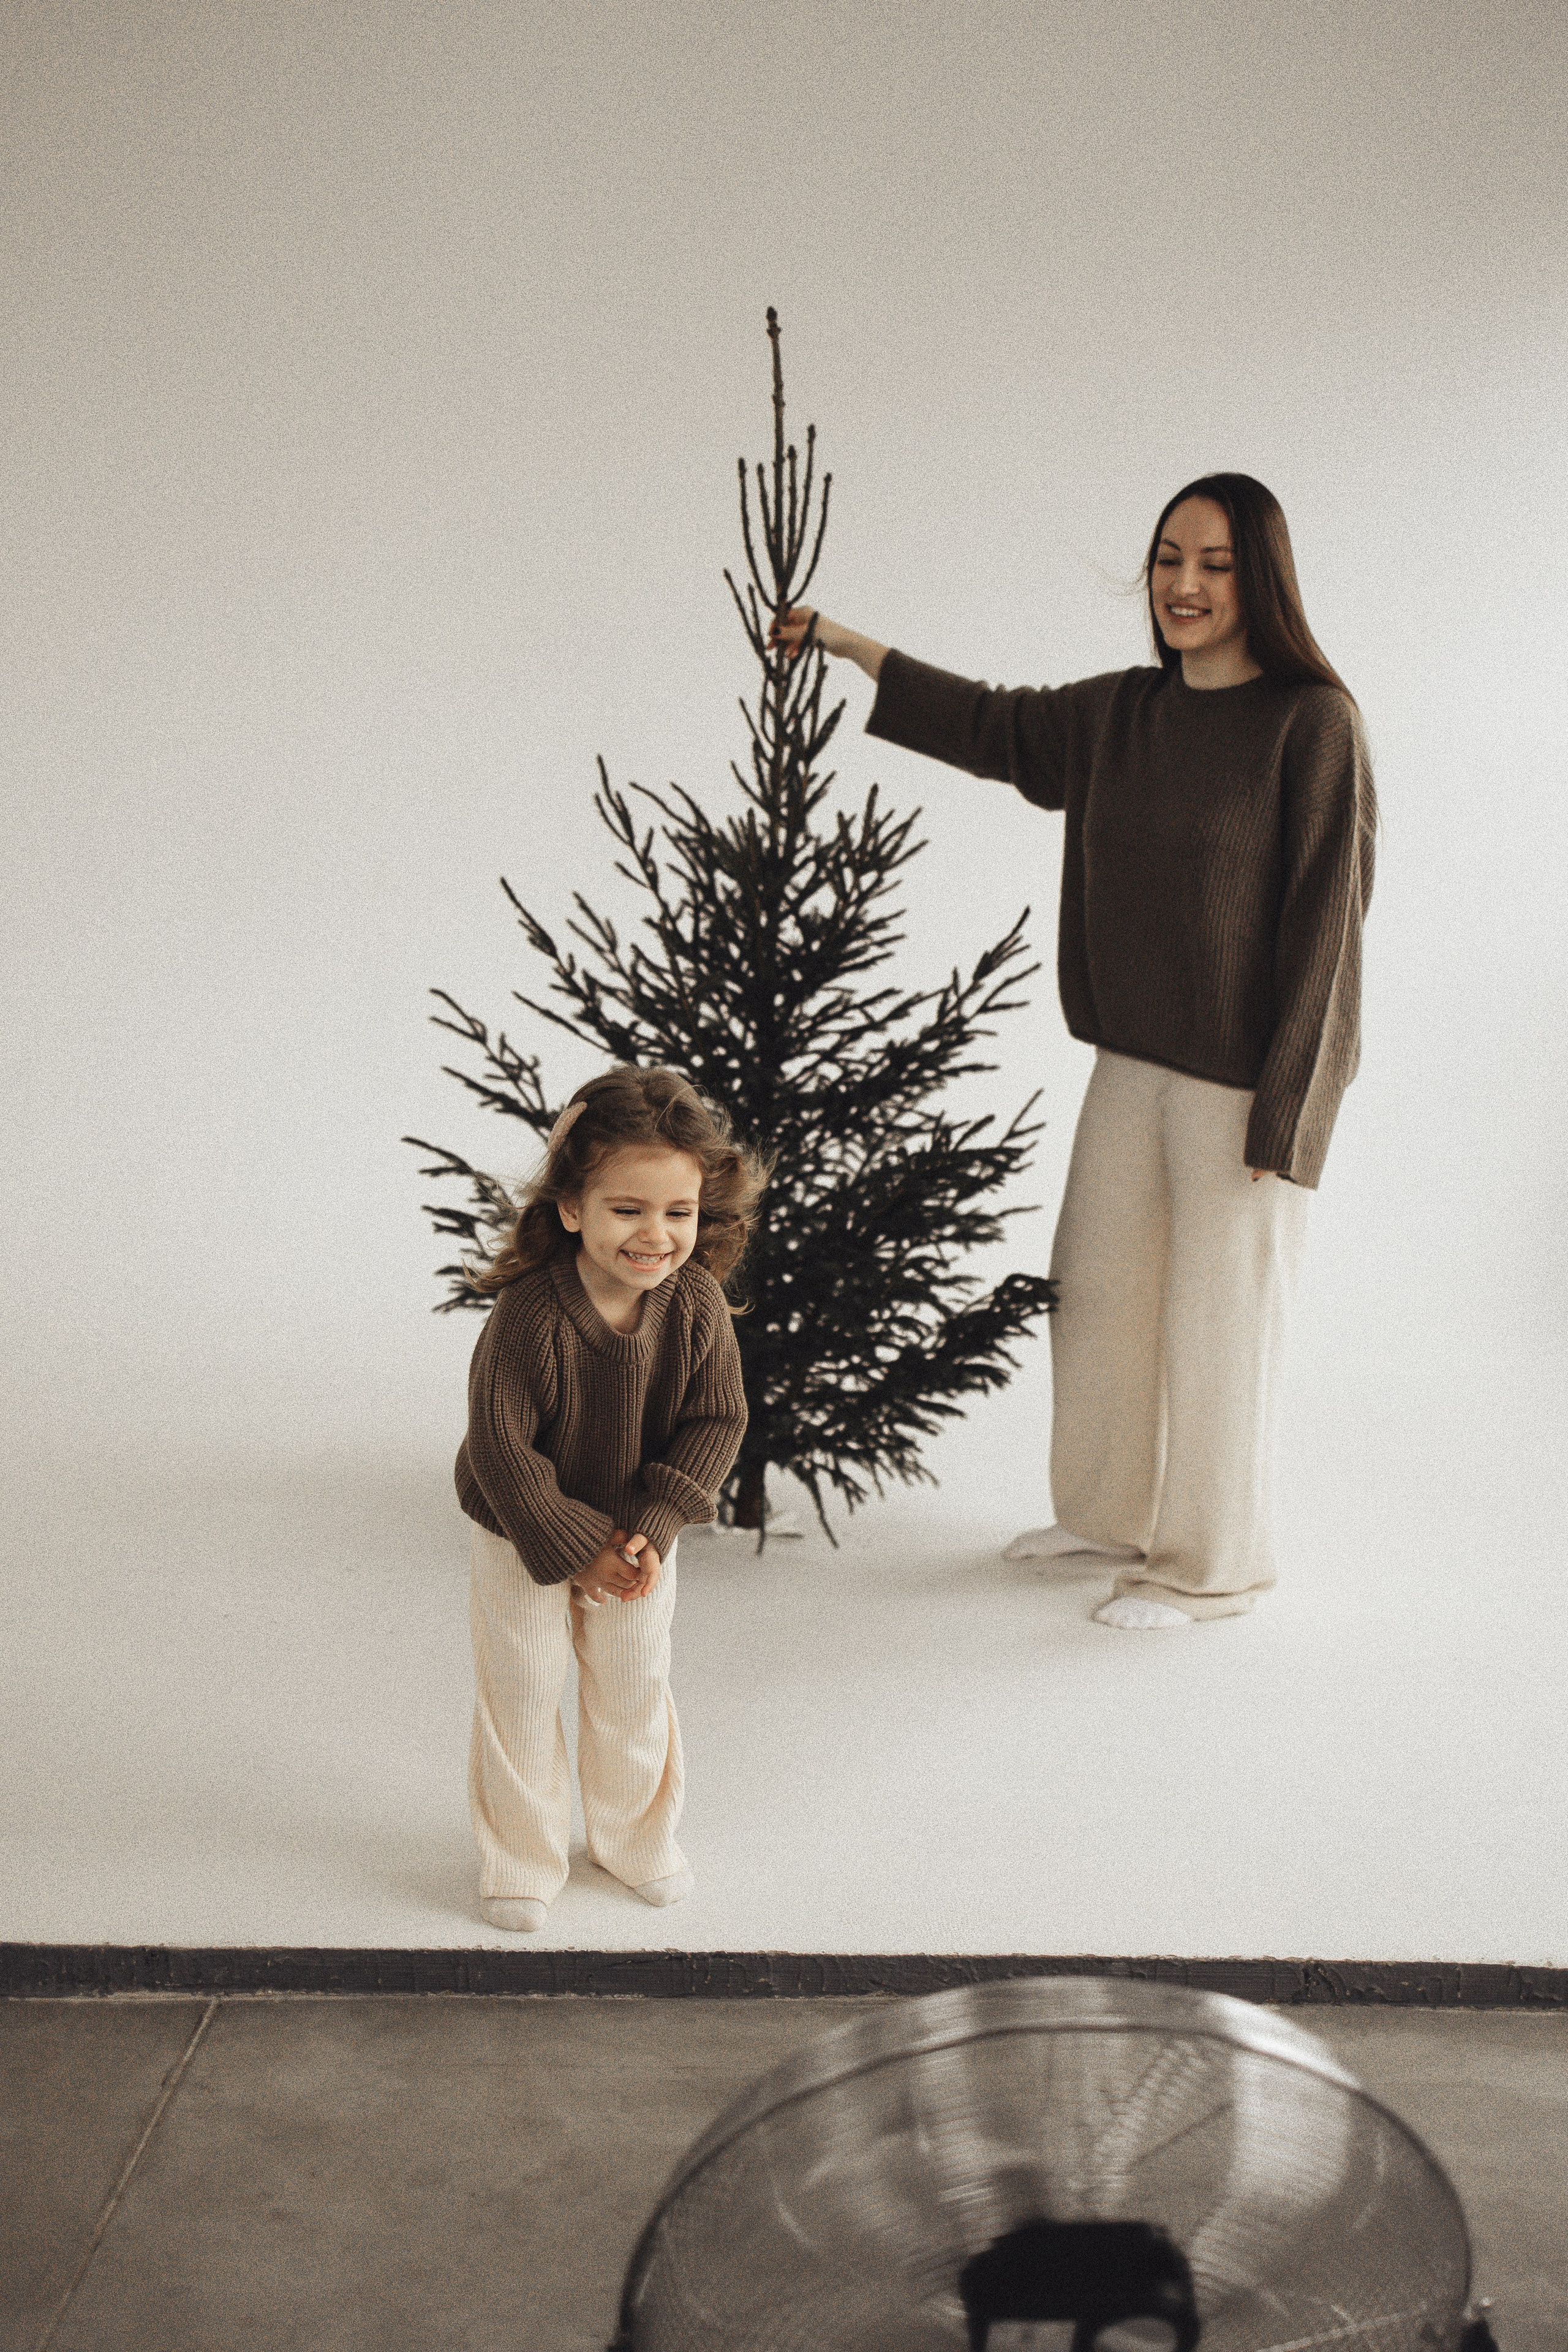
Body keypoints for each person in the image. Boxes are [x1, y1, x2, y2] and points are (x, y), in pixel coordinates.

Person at [771, 473, 1374, 1629]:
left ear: (1263, 580)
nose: (1185, 585)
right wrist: (851, 647)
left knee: (1221, 1331)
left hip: (1245, 1087)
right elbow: (996, 725)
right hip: (1128, 1065)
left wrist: (1291, 1115)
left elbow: (1330, 932)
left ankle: (1211, 1569)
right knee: (1098, 1301)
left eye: (1216, 564)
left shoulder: (1312, 724)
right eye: (1168, 559)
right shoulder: (1118, 715)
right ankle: (1110, 1515)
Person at [456, 1064, 765, 1929]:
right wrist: (571, 1541)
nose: (655, 1235)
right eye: (627, 1209)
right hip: (520, 1525)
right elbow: (500, 1446)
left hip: (638, 1535)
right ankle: (521, 1858)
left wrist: (653, 1528)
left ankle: (635, 1842)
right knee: (522, 1684)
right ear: (571, 1208)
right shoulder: (529, 1315)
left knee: (633, 1684)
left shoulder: (695, 1304)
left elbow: (717, 1420)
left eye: (678, 1213)